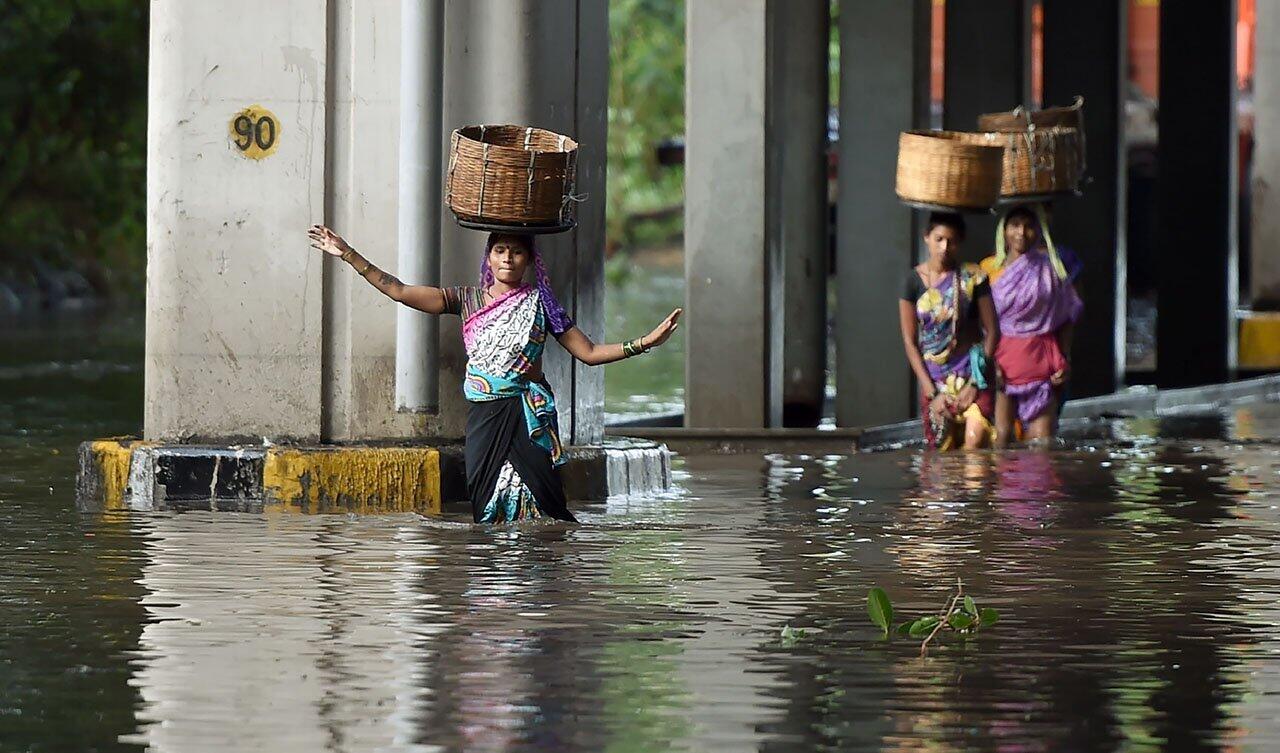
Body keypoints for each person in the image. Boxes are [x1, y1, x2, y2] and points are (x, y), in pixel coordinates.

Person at [307, 225, 682, 523]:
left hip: (528, 418)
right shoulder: (466, 299)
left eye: (517, 252)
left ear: (528, 259)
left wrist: (646, 341)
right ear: (489, 256)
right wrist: (349, 255)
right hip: (485, 420)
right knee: (486, 509)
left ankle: (542, 590)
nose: (508, 259)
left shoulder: (541, 303)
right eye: (500, 250)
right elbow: (401, 291)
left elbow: (589, 352)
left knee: (546, 508)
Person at [979, 205, 1083, 447]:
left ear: (1038, 230)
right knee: (1002, 439)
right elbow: (981, 324)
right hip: (1003, 363)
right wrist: (988, 362)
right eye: (1015, 225)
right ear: (1003, 229)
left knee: (1042, 443)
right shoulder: (988, 270)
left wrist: (1064, 357)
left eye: (1028, 226)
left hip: (1042, 362)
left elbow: (1067, 315)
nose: (1021, 233)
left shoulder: (1051, 268)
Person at [898, 212, 999, 450]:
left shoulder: (973, 278)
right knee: (942, 458)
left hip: (972, 375)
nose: (944, 247)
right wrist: (932, 393)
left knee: (976, 440)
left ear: (960, 242)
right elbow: (910, 343)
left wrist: (975, 383)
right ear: (926, 238)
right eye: (939, 239)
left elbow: (993, 332)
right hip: (935, 380)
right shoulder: (912, 282)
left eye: (951, 241)